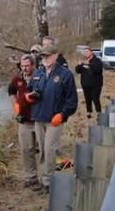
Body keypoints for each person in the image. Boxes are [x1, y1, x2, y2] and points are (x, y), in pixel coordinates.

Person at [26, 44, 78, 193]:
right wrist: (28, 97)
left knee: (50, 150)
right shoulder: (38, 73)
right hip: (39, 117)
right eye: (43, 56)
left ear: (56, 55)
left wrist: (63, 114)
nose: (45, 59)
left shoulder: (65, 74)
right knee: (42, 150)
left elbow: (71, 100)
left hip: (55, 119)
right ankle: (43, 180)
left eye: (48, 56)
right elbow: (30, 91)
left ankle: (48, 182)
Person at [7, 54, 38, 187]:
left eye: (27, 66)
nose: (24, 68)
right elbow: (11, 92)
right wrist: (16, 107)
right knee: (26, 150)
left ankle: (45, 177)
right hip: (24, 120)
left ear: (33, 65)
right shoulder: (17, 80)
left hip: (40, 120)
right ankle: (30, 177)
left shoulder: (40, 77)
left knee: (43, 150)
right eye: (22, 66)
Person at [75, 46, 103, 118]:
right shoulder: (83, 61)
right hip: (85, 84)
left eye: (87, 52)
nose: (86, 53)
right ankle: (89, 112)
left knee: (95, 98)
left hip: (96, 84)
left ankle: (99, 113)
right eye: (85, 52)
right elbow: (77, 71)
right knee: (87, 99)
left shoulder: (97, 61)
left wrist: (89, 64)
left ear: (91, 53)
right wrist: (79, 65)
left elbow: (98, 70)